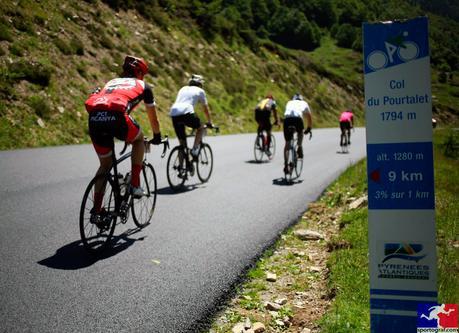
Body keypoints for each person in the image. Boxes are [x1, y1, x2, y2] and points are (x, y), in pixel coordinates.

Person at [84, 55, 162, 210]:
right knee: (139, 140)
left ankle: (97, 210)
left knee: (105, 166)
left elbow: (117, 106)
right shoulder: (143, 85)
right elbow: (152, 118)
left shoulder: (111, 82)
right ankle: (135, 184)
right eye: (143, 74)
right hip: (117, 118)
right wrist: (157, 136)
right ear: (140, 73)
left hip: (94, 119)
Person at [169, 74, 213, 158]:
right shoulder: (200, 91)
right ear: (200, 84)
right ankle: (194, 149)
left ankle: (180, 167)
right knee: (201, 128)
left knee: (182, 144)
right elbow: (205, 109)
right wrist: (210, 122)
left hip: (174, 113)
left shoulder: (183, 88)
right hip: (187, 112)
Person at [283, 93, 312, 174]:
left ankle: (285, 165)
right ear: (301, 99)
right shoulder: (304, 103)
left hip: (287, 120)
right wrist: (309, 128)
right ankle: (299, 146)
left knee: (287, 144)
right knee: (300, 132)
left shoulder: (289, 102)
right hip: (297, 119)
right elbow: (309, 117)